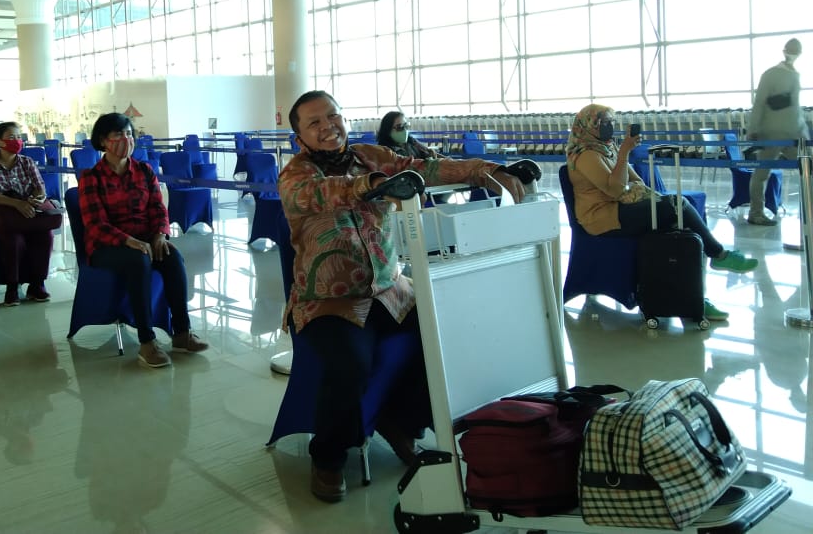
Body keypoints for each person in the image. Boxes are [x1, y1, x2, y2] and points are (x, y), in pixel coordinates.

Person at [279, 90, 526, 502]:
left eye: (333, 116)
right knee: (350, 364)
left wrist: (485, 170)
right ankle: (328, 456)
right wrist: (373, 185)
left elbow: (426, 167)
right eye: (314, 122)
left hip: (390, 289)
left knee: (445, 336)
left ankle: (402, 421)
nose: (327, 127)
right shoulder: (294, 175)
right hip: (328, 300)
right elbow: (322, 193)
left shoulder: (371, 156)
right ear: (299, 136)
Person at [566, 104, 758, 318]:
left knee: (678, 225)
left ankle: (693, 296)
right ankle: (718, 255)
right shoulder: (585, 155)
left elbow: (636, 181)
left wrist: (623, 164)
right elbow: (616, 190)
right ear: (588, 125)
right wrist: (624, 154)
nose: (609, 126)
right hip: (602, 217)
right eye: (604, 122)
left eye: (611, 122)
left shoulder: (606, 149)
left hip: (621, 207)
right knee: (676, 205)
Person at [78, 112, 208, 369]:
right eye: (118, 134)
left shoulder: (144, 171)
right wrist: (129, 241)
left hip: (145, 240)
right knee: (138, 261)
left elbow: (158, 207)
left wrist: (160, 234)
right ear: (103, 141)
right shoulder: (91, 178)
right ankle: (147, 342)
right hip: (107, 246)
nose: (126, 139)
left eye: (129, 134)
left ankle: (182, 333)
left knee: (172, 256)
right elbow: (96, 224)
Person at [0, 121, 62, 306]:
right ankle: (12, 287)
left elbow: (40, 188)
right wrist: (16, 203)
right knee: (14, 240)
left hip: (27, 215)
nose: (17, 141)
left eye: (19, 137)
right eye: (11, 137)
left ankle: (37, 284)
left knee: (45, 236)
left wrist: (37, 199)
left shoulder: (27, 162)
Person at [747, 38, 809, 225]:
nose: (793, 53)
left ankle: (810, 212)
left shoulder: (795, 75)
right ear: (784, 50)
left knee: (809, 169)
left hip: (794, 134)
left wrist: (803, 133)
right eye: (791, 49)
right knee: (761, 174)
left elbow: (795, 108)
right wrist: (753, 130)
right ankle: (756, 213)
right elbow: (759, 103)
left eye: (796, 50)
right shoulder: (770, 75)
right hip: (771, 134)